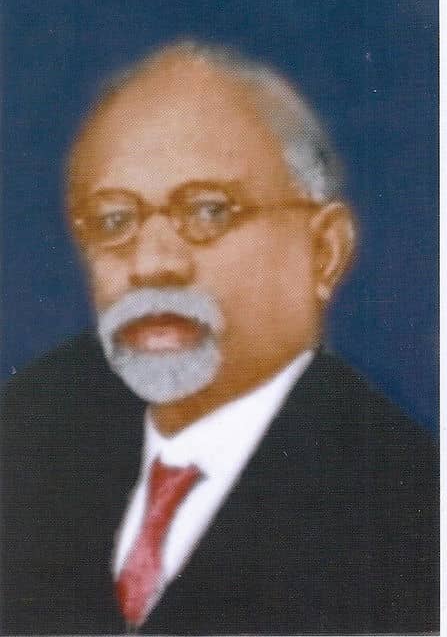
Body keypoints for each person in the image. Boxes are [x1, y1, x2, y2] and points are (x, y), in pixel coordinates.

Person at [1, 42, 438, 635]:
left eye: (208, 212)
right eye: (113, 221)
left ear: (324, 251)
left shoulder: (411, 510)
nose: (152, 264)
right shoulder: (26, 433)